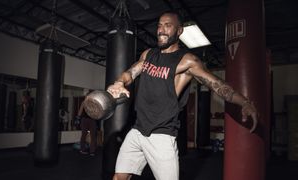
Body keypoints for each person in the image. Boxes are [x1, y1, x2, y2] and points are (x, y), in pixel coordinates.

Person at [107, 11, 258, 180]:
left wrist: (243, 101)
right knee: (119, 176)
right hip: (137, 130)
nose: (161, 30)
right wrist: (120, 82)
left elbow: (216, 84)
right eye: (159, 25)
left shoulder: (187, 61)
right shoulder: (148, 55)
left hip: (161, 135)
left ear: (179, 31)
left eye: (167, 26)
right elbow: (130, 73)